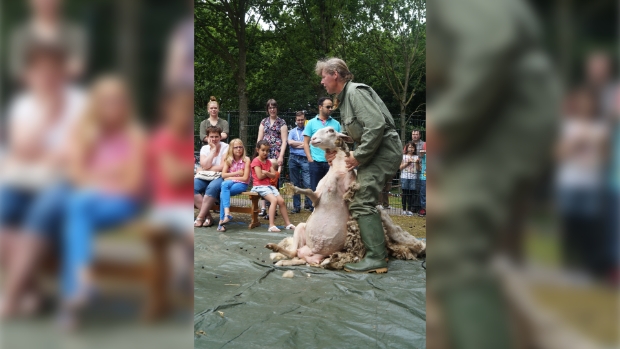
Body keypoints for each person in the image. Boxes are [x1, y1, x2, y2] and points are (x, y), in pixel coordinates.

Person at [0, 42, 86, 318]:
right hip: (24, 179)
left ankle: (12, 297)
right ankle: (33, 290)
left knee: (41, 212)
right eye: (38, 69)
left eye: (52, 68)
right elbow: (19, 148)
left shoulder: (79, 104)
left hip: (66, 182)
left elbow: (74, 155)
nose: (46, 75)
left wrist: (43, 149)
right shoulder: (24, 106)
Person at [60, 76, 146, 330]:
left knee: (76, 208)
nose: (110, 106)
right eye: (105, 101)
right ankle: (79, 289)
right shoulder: (87, 134)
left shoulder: (134, 135)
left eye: (116, 101)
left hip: (122, 203)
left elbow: (132, 184)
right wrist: (111, 174)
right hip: (89, 201)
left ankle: (76, 289)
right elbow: (75, 174)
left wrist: (99, 177)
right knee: (76, 212)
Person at [317, 57, 402, 273]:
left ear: (335, 74)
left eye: (323, 76)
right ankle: (372, 251)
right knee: (359, 199)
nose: (322, 82)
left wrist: (359, 156)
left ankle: (376, 258)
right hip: (374, 152)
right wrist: (337, 152)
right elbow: (355, 136)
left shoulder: (355, 92)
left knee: (361, 199)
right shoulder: (344, 100)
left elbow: (375, 126)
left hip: (382, 152)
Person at [147, 84, 195, 294]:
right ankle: (175, 279)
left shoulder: (186, 140)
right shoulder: (163, 138)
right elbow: (173, 176)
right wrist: (190, 168)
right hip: (166, 205)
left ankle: (179, 277)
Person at [10, 0, 86, 81]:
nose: (46, 2)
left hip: (68, 88)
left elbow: (77, 66)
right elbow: (18, 69)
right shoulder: (20, 35)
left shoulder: (75, 33)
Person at [250, 141, 295, 232]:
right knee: (274, 200)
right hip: (259, 186)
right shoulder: (256, 161)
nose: (265, 153)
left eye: (267, 150)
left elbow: (274, 175)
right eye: (263, 150)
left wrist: (266, 173)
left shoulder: (268, 162)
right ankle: (271, 225)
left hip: (268, 186)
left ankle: (287, 223)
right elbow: (259, 176)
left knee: (281, 201)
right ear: (257, 150)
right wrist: (269, 174)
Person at [256, 99, 287, 217]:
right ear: (267, 109)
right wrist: (258, 153)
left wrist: (281, 156)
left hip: (276, 154)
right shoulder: (264, 122)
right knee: (263, 179)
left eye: (274, 107)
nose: (272, 110)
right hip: (264, 153)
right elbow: (259, 139)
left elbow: (284, 141)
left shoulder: (282, 122)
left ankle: (273, 208)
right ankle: (263, 207)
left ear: (276, 108)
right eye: (270, 108)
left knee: (273, 179)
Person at [303, 97, 341, 195]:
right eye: (328, 107)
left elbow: (339, 143)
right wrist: (310, 159)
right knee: (316, 190)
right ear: (320, 107)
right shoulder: (311, 123)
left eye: (331, 107)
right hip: (316, 162)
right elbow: (306, 142)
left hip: (332, 163)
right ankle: (314, 210)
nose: (330, 109)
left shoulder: (336, 124)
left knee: (331, 190)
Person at [194, 126, 229, 227]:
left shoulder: (225, 147)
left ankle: (200, 217)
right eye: (212, 137)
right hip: (205, 176)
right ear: (207, 137)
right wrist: (213, 151)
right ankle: (208, 216)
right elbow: (204, 165)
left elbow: (222, 167)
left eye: (216, 137)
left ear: (220, 137)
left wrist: (205, 168)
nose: (214, 139)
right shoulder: (205, 148)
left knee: (212, 187)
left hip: (219, 176)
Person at [216, 139, 251, 232]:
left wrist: (230, 177)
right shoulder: (228, 160)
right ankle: (227, 214)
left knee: (222, 193)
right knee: (224, 184)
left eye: (240, 147)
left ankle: (221, 222)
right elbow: (223, 175)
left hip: (241, 184)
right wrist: (237, 173)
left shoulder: (246, 160)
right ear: (231, 149)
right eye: (236, 147)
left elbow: (245, 178)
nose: (238, 149)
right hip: (230, 183)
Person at [287, 111, 312, 213]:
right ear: (295, 120)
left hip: (305, 158)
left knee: (308, 182)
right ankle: (296, 207)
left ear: (304, 119)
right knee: (295, 183)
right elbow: (290, 142)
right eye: (298, 120)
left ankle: (311, 205)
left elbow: (309, 144)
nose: (300, 121)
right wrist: (303, 144)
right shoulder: (292, 131)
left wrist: (298, 144)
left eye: (302, 119)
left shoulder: (309, 131)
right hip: (293, 158)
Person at [399, 142, 418, 216]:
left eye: (412, 147)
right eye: (409, 147)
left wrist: (417, 163)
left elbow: (419, 169)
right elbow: (400, 168)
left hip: (413, 178)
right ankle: (404, 209)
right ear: (406, 148)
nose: (411, 149)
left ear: (414, 149)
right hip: (404, 177)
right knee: (405, 193)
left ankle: (409, 209)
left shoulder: (416, 157)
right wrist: (407, 163)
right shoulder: (403, 157)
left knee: (412, 194)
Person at [418, 143, 426, 217]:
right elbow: (421, 153)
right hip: (424, 178)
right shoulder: (424, 155)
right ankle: (423, 208)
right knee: (423, 194)